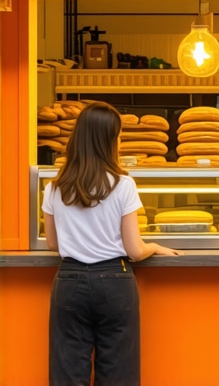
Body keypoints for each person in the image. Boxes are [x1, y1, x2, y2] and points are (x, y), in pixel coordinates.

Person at [42, 101, 183, 386]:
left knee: (67, 372)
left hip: (69, 280)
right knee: (119, 372)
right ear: (109, 140)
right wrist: (153, 247)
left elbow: (52, 244)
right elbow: (134, 249)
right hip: (114, 281)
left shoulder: (55, 187)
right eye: (118, 136)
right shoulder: (122, 184)